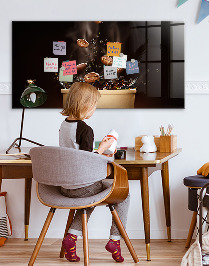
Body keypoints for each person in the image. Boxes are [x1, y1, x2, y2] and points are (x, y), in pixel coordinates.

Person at [59, 82, 129, 263]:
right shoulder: (85, 129)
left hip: (65, 186)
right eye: (94, 105)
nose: (94, 109)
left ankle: (71, 238)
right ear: (86, 105)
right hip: (82, 186)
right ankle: (115, 240)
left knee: (89, 198)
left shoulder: (64, 125)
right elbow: (87, 161)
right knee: (124, 194)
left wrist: (99, 149)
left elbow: (76, 154)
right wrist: (104, 148)